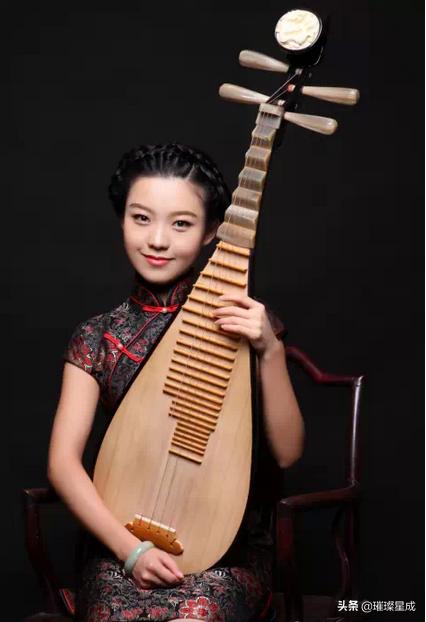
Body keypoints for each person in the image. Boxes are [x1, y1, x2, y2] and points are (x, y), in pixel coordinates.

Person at [47, 142, 305, 622]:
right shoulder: (97, 336)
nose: (158, 240)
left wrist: (269, 349)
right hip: (118, 549)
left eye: (181, 224)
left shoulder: (248, 322)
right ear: (121, 219)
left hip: (227, 554)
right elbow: (62, 463)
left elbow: (288, 453)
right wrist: (130, 552)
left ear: (211, 233)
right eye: (141, 218)